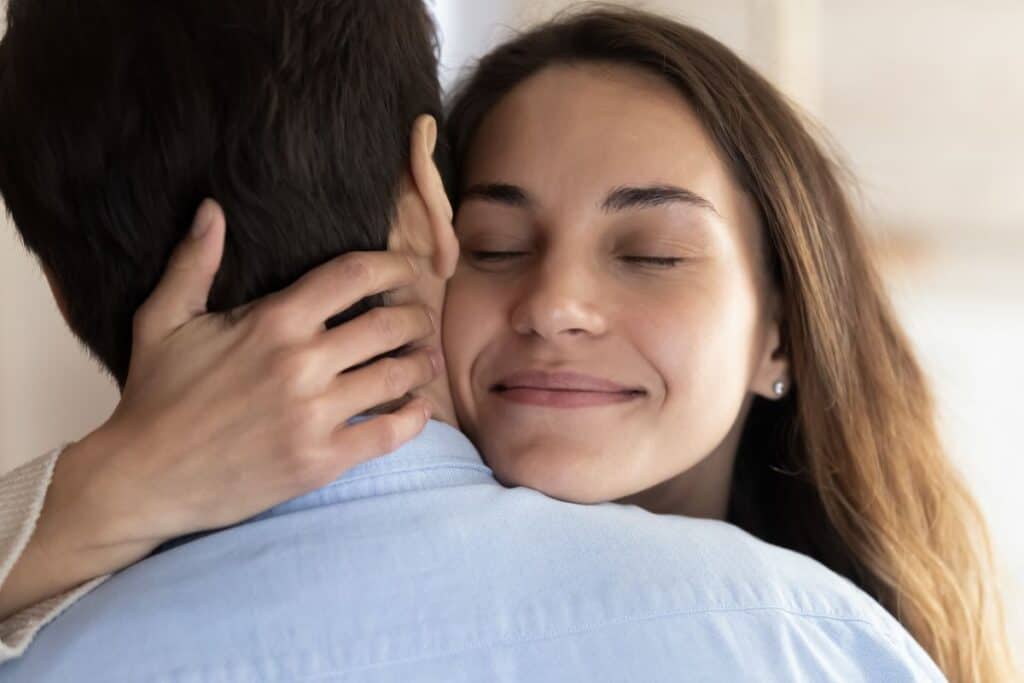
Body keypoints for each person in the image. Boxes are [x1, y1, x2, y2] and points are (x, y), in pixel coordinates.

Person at [0, 2, 989, 680]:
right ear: (427, 224)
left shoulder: (811, 631)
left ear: (784, 325)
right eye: (496, 244)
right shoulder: (801, 635)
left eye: (649, 252)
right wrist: (105, 485)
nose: (555, 304)